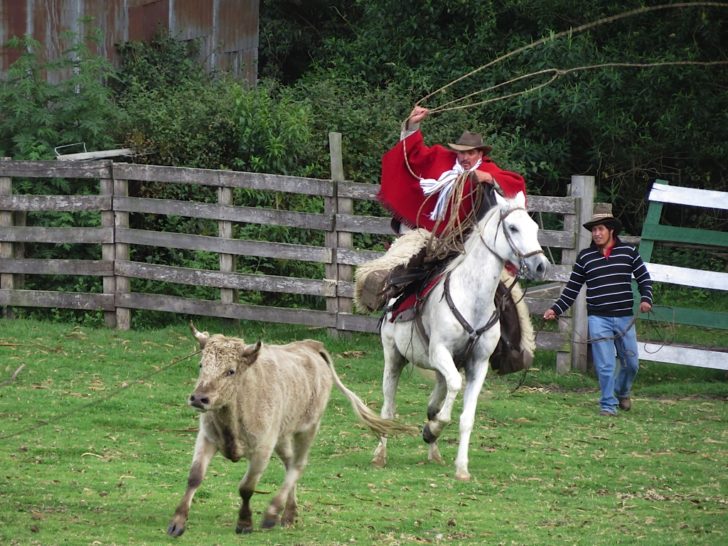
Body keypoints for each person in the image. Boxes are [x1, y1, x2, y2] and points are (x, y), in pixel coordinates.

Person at [543, 213, 653, 416]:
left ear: (611, 230)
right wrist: (555, 309)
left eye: (600, 229)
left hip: (624, 317)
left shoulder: (629, 252)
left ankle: (622, 392)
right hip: (598, 319)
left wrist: (646, 299)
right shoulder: (585, 257)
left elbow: (644, 279)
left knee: (632, 364)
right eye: (593, 230)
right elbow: (572, 288)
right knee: (605, 365)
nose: (596, 233)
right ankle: (608, 405)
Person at [378, 105, 526, 235]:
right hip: (422, 226)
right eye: (462, 152)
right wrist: (412, 125)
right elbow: (412, 154)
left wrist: (489, 178)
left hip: (461, 235)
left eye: (471, 153)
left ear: (480, 154)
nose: (465, 157)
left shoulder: (487, 169)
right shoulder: (441, 156)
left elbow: (515, 184)